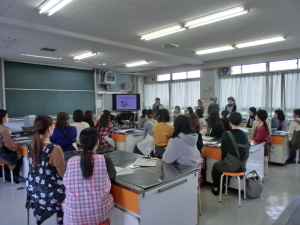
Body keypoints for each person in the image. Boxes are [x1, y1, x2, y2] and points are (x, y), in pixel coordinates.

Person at [62, 128, 116, 225]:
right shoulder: (105, 160)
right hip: (99, 215)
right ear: (97, 142)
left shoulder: (70, 162)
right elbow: (112, 178)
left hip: (72, 217)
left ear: (81, 143)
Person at [26, 115, 65, 225]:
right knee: (71, 190)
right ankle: (62, 219)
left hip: (34, 191)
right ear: (49, 128)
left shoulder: (31, 146)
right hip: (50, 194)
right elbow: (63, 175)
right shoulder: (55, 149)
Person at [211, 112, 250, 196]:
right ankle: (224, 186)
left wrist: (225, 160)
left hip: (231, 165)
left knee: (217, 166)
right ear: (240, 122)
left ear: (230, 122)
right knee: (226, 165)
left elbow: (223, 151)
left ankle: (216, 188)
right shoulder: (245, 135)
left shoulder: (226, 134)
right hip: (242, 166)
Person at [0, 109, 23, 183]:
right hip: (2, 154)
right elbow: (9, 145)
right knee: (18, 155)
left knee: (13, 155)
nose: (7, 118)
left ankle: (7, 174)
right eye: (6, 116)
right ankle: (13, 176)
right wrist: (14, 148)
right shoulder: (3, 129)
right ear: (2, 118)